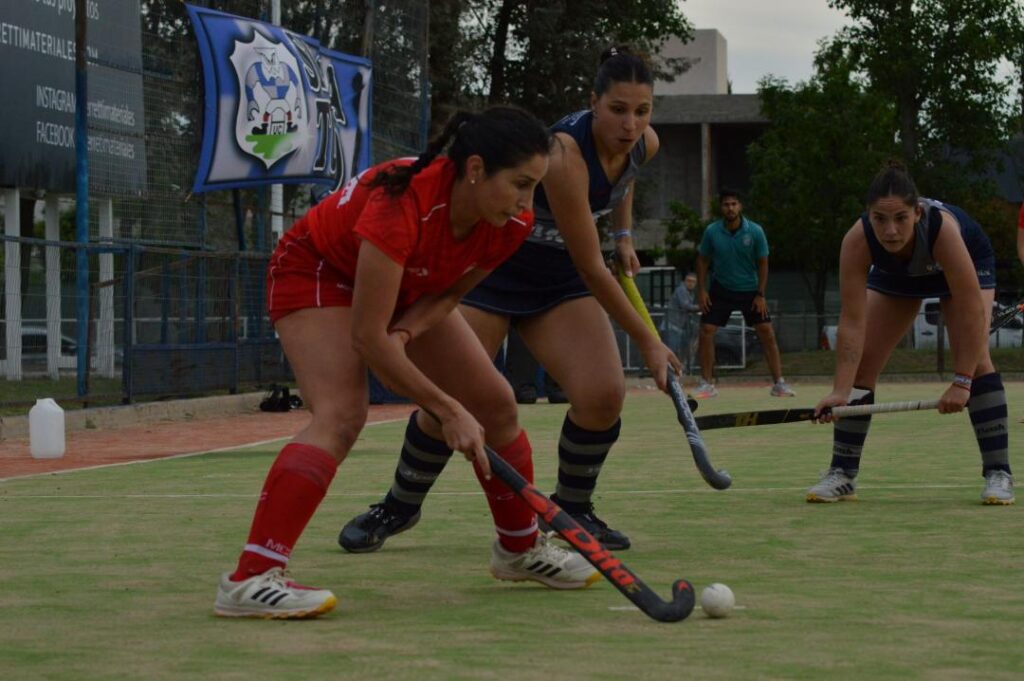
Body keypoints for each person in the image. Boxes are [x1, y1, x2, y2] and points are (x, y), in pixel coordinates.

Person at [213, 106, 601, 620]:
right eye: (521, 184)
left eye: (535, 188)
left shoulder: (509, 221)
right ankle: (250, 578)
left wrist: (409, 331)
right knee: (341, 415)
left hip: (406, 286)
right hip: (320, 270)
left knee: (495, 405)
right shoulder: (400, 206)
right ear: (477, 169)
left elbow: (449, 294)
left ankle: (519, 549)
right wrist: (445, 409)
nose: (528, 203)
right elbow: (368, 340)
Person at [338, 45, 681, 554]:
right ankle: (399, 505)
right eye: (617, 110)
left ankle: (572, 510)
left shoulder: (643, 144)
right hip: (493, 270)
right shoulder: (565, 156)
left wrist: (625, 234)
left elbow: (622, 180)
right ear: (593, 102)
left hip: (556, 281)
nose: (630, 124)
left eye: (642, 111)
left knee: (604, 394)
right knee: (454, 401)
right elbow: (592, 266)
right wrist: (649, 341)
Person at [807, 161, 1013, 505]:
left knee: (977, 364)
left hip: (964, 260)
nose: (890, 230)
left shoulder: (943, 231)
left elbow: (972, 310)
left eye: (900, 218)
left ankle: (999, 473)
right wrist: (840, 391)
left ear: (916, 212)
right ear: (868, 215)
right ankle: (842, 474)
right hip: (898, 273)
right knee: (862, 370)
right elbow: (853, 321)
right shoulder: (857, 241)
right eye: (880, 219)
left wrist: (962, 382)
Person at [693, 189, 794, 398]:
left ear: (740, 207)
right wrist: (701, 290)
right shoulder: (712, 232)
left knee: (766, 331)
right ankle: (706, 384)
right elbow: (702, 260)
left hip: (750, 290)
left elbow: (763, 263)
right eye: (726, 204)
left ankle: (779, 384)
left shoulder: (755, 231)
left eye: (734, 204)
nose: (730, 208)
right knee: (706, 331)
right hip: (720, 289)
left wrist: (760, 294)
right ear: (720, 208)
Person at [661, 271, 700, 374]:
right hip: (671, 325)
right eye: (689, 281)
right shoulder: (681, 290)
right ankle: (667, 373)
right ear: (684, 281)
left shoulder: (690, 293)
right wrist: (701, 307)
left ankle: (677, 371)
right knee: (671, 351)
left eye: (693, 282)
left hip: (679, 327)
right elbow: (686, 306)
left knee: (679, 350)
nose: (691, 283)